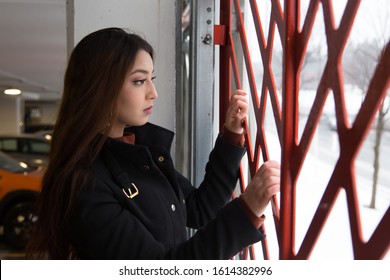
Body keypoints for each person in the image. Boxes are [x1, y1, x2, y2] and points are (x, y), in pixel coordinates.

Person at [27, 27, 280, 260]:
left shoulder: (140, 151)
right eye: (139, 81)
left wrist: (231, 136)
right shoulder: (85, 183)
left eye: (152, 78)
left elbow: (201, 209)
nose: (153, 92)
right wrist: (248, 209)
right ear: (101, 87)